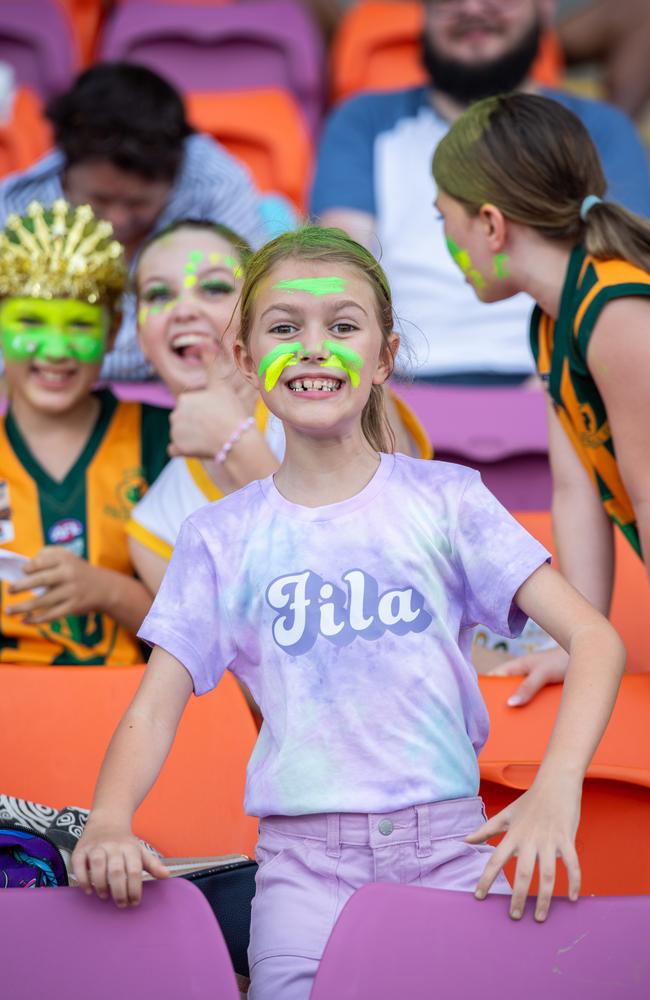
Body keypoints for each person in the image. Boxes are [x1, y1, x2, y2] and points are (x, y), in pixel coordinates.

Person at [72, 227, 624, 1000]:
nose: (312, 347)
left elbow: (595, 639)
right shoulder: (218, 538)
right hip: (302, 872)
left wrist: (556, 791)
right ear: (244, 357)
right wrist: (107, 818)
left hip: (452, 850)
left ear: (384, 356)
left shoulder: (448, 500)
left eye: (342, 326)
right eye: (284, 327)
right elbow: (155, 708)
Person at [432, 91, 650, 704]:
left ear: (492, 224)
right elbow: (578, 489)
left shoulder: (617, 309)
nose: (446, 238)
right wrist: (579, 639)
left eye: (443, 217)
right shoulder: (556, 320)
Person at [311, 0, 650, 382]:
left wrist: (564, 384)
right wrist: (378, 392)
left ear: (544, 7)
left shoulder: (599, 127)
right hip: (395, 384)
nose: (473, 8)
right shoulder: (362, 120)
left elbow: (623, 265)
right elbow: (340, 265)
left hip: (566, 373)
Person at [127, 220, 432, 592]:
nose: (185, 309)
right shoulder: (154, 527)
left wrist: (235, 444)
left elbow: (384, 575)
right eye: (159, 295)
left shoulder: (346, 396)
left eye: (215, 288)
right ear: (140, 338)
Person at [0, 62, 268, 380]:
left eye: (138, 203)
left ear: (176, 174)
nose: (116, 219)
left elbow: (248, 313)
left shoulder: (216, 186)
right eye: (99, 200)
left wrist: (73, 355)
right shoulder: (20, 211)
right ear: (64, 170)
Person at [0, 199, 170, 665]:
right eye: (30, 321)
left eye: (79, 325)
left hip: (129, 709)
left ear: (114, 330)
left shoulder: (161, 440)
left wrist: (109, 591)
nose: (56, 350)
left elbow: (210, 628)